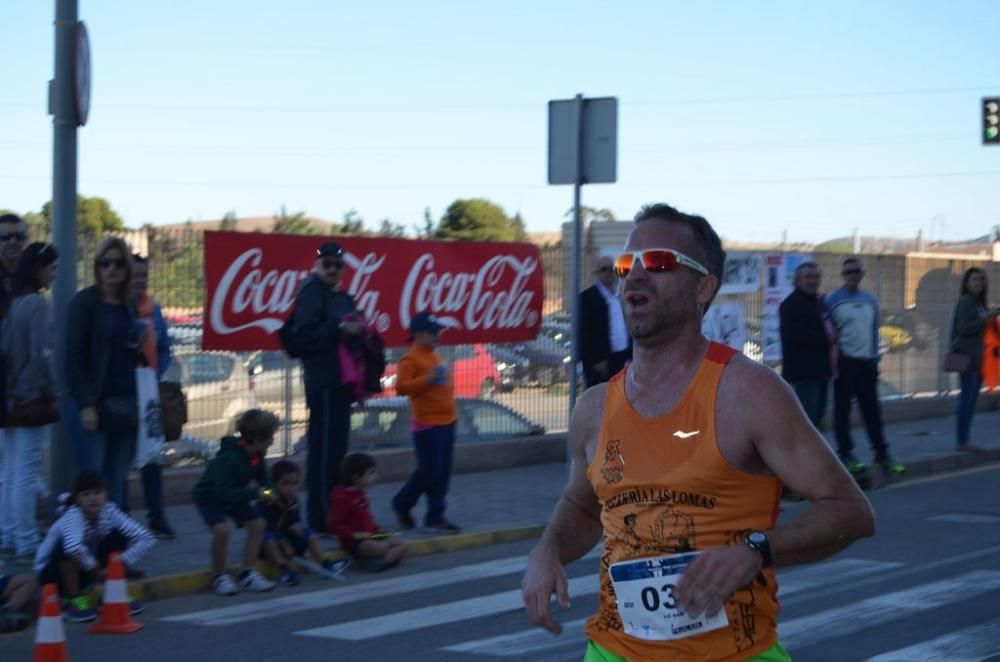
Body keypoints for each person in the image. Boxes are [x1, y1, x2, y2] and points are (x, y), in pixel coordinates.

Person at [521, 203, 875, 662]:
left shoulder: (750, 394)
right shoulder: (593, 408)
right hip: (613, 652)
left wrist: (754, 550)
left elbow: (851, 512)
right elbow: (582, 505)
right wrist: (547, 551)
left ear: (703, 287)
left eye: (661, 262)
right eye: (628, 265)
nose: (637, 276)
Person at [281, 242, 363, 532]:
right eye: (326, 264)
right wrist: (339, 329)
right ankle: (320, 517)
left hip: (342, 382)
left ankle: (336, 513)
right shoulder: (312, 294)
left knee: (337, 452)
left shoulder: (343, 298)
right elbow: (303, 338)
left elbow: (352, 336)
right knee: (324, 453)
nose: (332, 269)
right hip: (323, 382)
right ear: (317, 266)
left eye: (337, 265)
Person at [65, 237, 146, 507]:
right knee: (91, 485)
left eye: (119, 263)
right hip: (94, 405)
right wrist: (86, 404)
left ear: (127, 268)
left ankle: (116, 546)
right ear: (97, 267)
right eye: (105, 263)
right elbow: (73, 356)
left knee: (116, 482)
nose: (112, 268)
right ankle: (83, 545)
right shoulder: (84, 302)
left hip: (126, 404)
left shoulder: (130, 304)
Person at [0, 243, 59, 561]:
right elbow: (43, 356)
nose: (55, 274)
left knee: (10, 469)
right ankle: (24, 539)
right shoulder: (37, 304)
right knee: (24, 469)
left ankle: (9, 533)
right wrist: (52, 390)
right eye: (52, 268)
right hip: (32, 397)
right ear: (38, 269)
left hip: (11, 398)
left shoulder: (15, 302)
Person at [34, 470, 154, 622]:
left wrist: (121, 562)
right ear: (78, 499)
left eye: (97, 492)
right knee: (66, 547)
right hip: (51, 575)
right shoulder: (73, 515)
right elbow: (72, 547)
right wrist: (94, 567)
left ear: (105, 494)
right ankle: (74, 600)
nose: (93, 498)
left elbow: (146, 538)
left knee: (115, 536)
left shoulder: (109, 510)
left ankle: (113, 592)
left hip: (86, 570)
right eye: (86, 494)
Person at [826, 258, 906, 476]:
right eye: (848, 272)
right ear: (843, 275)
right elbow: (828, 332)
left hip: (867, 364)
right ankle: (846, 455)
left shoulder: (869, 300)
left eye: (856, 271)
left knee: (873, 413)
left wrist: (875, 359)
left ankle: (882, 456)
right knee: (842, 412)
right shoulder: (833, 300)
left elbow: (873, 332)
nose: (852, 275)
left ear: (862, 274)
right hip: (845, 364)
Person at [192, 408, 278, 596]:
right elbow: (222, 493)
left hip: (234, 493)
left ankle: (248, 572)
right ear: (256, 439)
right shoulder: (229, 459)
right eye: (269, 437)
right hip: (210, 496)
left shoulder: (257, 456)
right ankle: (219, 575)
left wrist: (273, 494)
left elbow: (266, 482)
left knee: (258, 525)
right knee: (222, 530)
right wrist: (257, 493)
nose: (272, 441)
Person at [390, 311, 461, 534]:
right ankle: (403, 502)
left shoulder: (436, 357)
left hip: (447, 421)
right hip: (427, 424)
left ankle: (435, 516)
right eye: (432, 332)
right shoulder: (410, 359)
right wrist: (427, 379)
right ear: (418, 334)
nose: (437, 335)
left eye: (438, 331)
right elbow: (401, 387)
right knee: (428, 471)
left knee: (442, 472)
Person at [131, 254, 175, 539]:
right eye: (136, 274)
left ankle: (157, 515)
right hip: (123, 390)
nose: (141, 279)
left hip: (148, 389)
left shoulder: (153, 308)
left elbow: (165, 348)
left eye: (144, 274)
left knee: (153, 457)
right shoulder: (118, 307)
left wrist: (153, 377)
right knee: (121, 457)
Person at [262, 459, 351, 586]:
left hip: (289, 542)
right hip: (272, 544)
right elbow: (268, 527)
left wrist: (296, 530)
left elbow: (293, 522)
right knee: (268, 538)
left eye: (294, 484)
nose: (291, 488)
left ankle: (326, 564)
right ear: (275, 484)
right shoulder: (269, 502)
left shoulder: (294, 501)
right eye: (286, 484)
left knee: (310, 534)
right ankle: (285, 572)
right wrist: (283, 542)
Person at [778, 261, 838, 428]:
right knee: (806, 425)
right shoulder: (790, 305)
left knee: (816, 421)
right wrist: (829, 338)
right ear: (797, 280)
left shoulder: (820, 303)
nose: (813, 280)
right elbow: (796, 336)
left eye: (816, 276)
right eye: (808, 277)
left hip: (822, 372)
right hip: (804, 375)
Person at [328, 453, 408, 572]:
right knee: (383, 548)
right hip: (355, 543)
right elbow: (334, 524)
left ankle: (383, 562)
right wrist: (354, 535)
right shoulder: (342, 498)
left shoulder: (360, 495)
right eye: (371, 473)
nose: (375, 477)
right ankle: (385, 560)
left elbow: (367, 519)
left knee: (404, 544)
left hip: (371, 536)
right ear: (356, 477)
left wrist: (379, 531)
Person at [949, 268, 1000, 453]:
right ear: (967, 283)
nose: (978, 283)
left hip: (979, 360)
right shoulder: (966, 302)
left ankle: (964, 440)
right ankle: (962, 441)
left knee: (970, 402)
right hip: (969, 359)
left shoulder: (979, 303)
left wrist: (991, 317)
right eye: (974, 280)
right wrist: (986, 317)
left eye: (980, 279)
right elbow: (963, 328)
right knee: (966, 401)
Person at [579, 255, 632, 388]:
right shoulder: (587, 298)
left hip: (622, 359)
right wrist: (596, 360)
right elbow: (583, 333)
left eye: (612, 269)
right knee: (601, 402)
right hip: (602, 362)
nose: (609, 273)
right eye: (604, 269)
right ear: (597, 273)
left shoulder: (620, 296)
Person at [0, 213, 28, 318]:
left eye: (19, 236)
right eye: (6, 237)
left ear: (26, 240)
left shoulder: (32, 274)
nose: (13, 241)